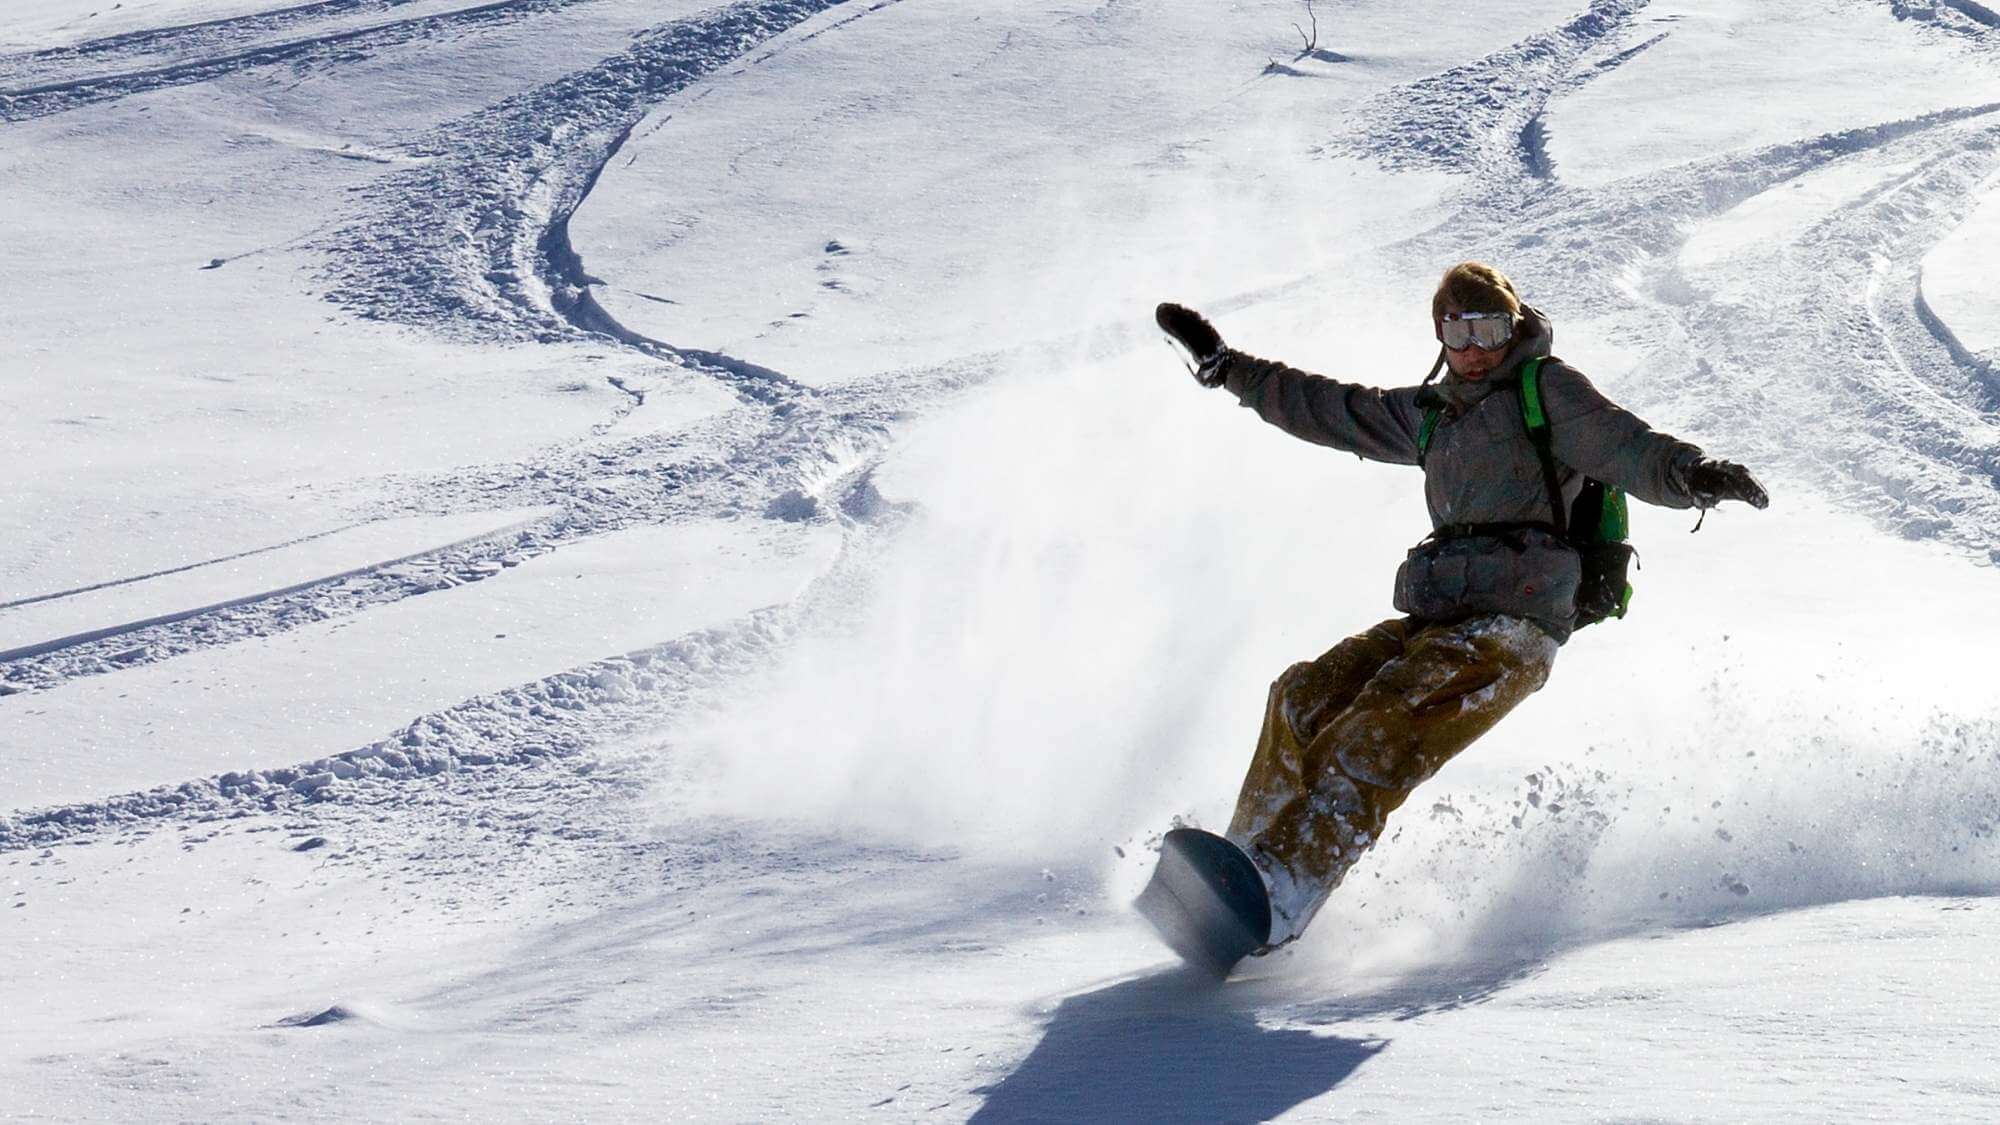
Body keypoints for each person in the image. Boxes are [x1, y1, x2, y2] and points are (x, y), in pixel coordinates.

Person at [1154, 261, 1768, 949]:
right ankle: (1246, 864)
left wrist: (1692, 473)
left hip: (1515, 628)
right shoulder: (1431, 415)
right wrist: (1226, 367)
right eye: (1459, 330)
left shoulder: (1545, 391)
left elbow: (1622, 443)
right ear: (1439, 334)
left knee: (1379, 721)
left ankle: (1287, 884)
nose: (1476, 347)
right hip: (1439, 619)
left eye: (1490, 328)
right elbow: (1328, 407)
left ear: (1514, 325)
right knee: (1302, 695)